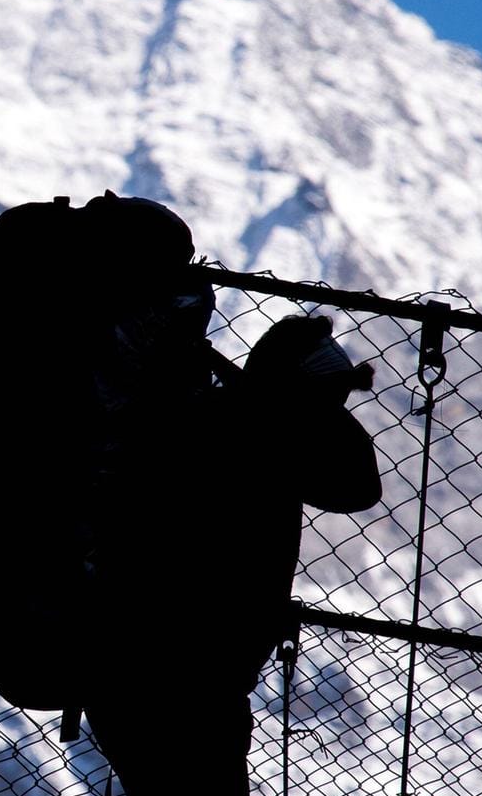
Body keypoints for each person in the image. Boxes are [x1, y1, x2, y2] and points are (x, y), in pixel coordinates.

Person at [91, 312, 380, 793]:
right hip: (189, 675)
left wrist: (258, 391)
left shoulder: (221, 419)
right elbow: (357, 484)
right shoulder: (265, 440)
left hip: (134, 661)